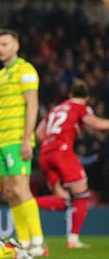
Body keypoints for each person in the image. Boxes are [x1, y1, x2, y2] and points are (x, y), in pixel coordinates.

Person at [0, 29, 46, 258]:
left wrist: (26, 139)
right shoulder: (0, 77)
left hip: (18, 140)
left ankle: (38, 241)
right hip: (3, 142)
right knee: (10, 192)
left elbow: (32, 106)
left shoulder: (26, 71)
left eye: (4, 44)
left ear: (16, 45)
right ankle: (23, 240)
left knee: (21, 189)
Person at [35, 80, 109, 249]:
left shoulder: (56, 109)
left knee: (64, 199)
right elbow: (96, 124)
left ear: (70, 95)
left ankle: (27, 204)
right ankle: (73, 239)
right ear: (87, 98)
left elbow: (39, 133)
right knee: (82, 194)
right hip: (62, 152)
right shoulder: (80, 107)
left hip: (45, 154)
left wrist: (51, 142)